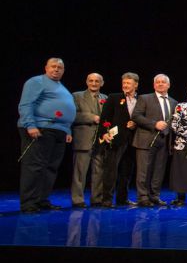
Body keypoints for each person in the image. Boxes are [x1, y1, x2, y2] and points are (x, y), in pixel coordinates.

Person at [17, 58, 76, 213]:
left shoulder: (61, 86)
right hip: (40, 128)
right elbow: (26, 104)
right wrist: (30, 125)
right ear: (46, 68)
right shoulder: (37, 81)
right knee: (34, 166)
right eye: (53, 66)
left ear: (63, 70)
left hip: (59, 131)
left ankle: (41, 200)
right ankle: (29, 203)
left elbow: (67, 110)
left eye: (59, 67)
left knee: (50, 168)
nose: (56, 69)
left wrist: (67, 130)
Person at [131, 74, 177, 207]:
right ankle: (143, 197)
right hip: (146, 140)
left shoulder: (174, 102)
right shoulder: (145, 98)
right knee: (144, 170)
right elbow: (136, 116)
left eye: (163, 82)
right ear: (154, 85)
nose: (160, 84)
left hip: (164, 141)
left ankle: (154, 195)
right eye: (158, 82)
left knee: (159, 170)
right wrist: (154, 124)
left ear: (168, 85)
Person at [98, 72, 139, 207]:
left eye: (128, 83)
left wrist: (135, 124)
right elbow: (105, 117)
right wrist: (104, 133)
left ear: (136, 85)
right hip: (115, 139)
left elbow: (141, 117)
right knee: (111, 170)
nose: (125, 85)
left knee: (127, 171)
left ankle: (122, 199)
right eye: (124, 83)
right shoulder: (114, 97)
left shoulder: (140, 100)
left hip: (133, 140)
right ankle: (107, 199)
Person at [70, 73, 107, 207]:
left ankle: (97, 198)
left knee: (99, 171)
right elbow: (72, 115)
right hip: (83, 139)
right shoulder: (77, 96)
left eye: (97, 81)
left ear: (102, 83)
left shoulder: (105, 98)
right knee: (80, 172)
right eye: (91, 80)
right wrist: (91, 117)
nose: (94, 83)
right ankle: (78, 199)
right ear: (86, 82)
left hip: (101, 141)